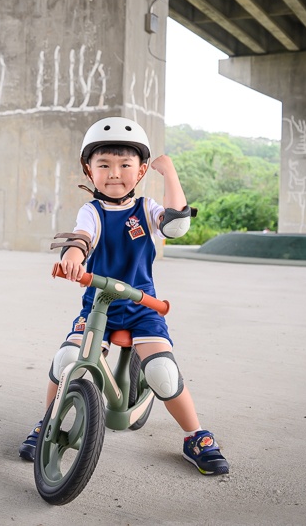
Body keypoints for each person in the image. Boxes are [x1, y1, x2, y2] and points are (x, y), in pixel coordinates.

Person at [17, 117, 229, 475]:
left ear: (141, 170)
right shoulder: (92, 210)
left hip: (142, 306)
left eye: (125, 165)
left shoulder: (145, 209)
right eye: (104, 165)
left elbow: (176, 225)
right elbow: (83, 235)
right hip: (99, 305)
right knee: (67, 359)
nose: (114, 173)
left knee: (162, 371)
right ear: (89, 169)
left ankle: (195, 435)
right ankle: (48, 422)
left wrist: (169, 172)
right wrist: (72, 255)